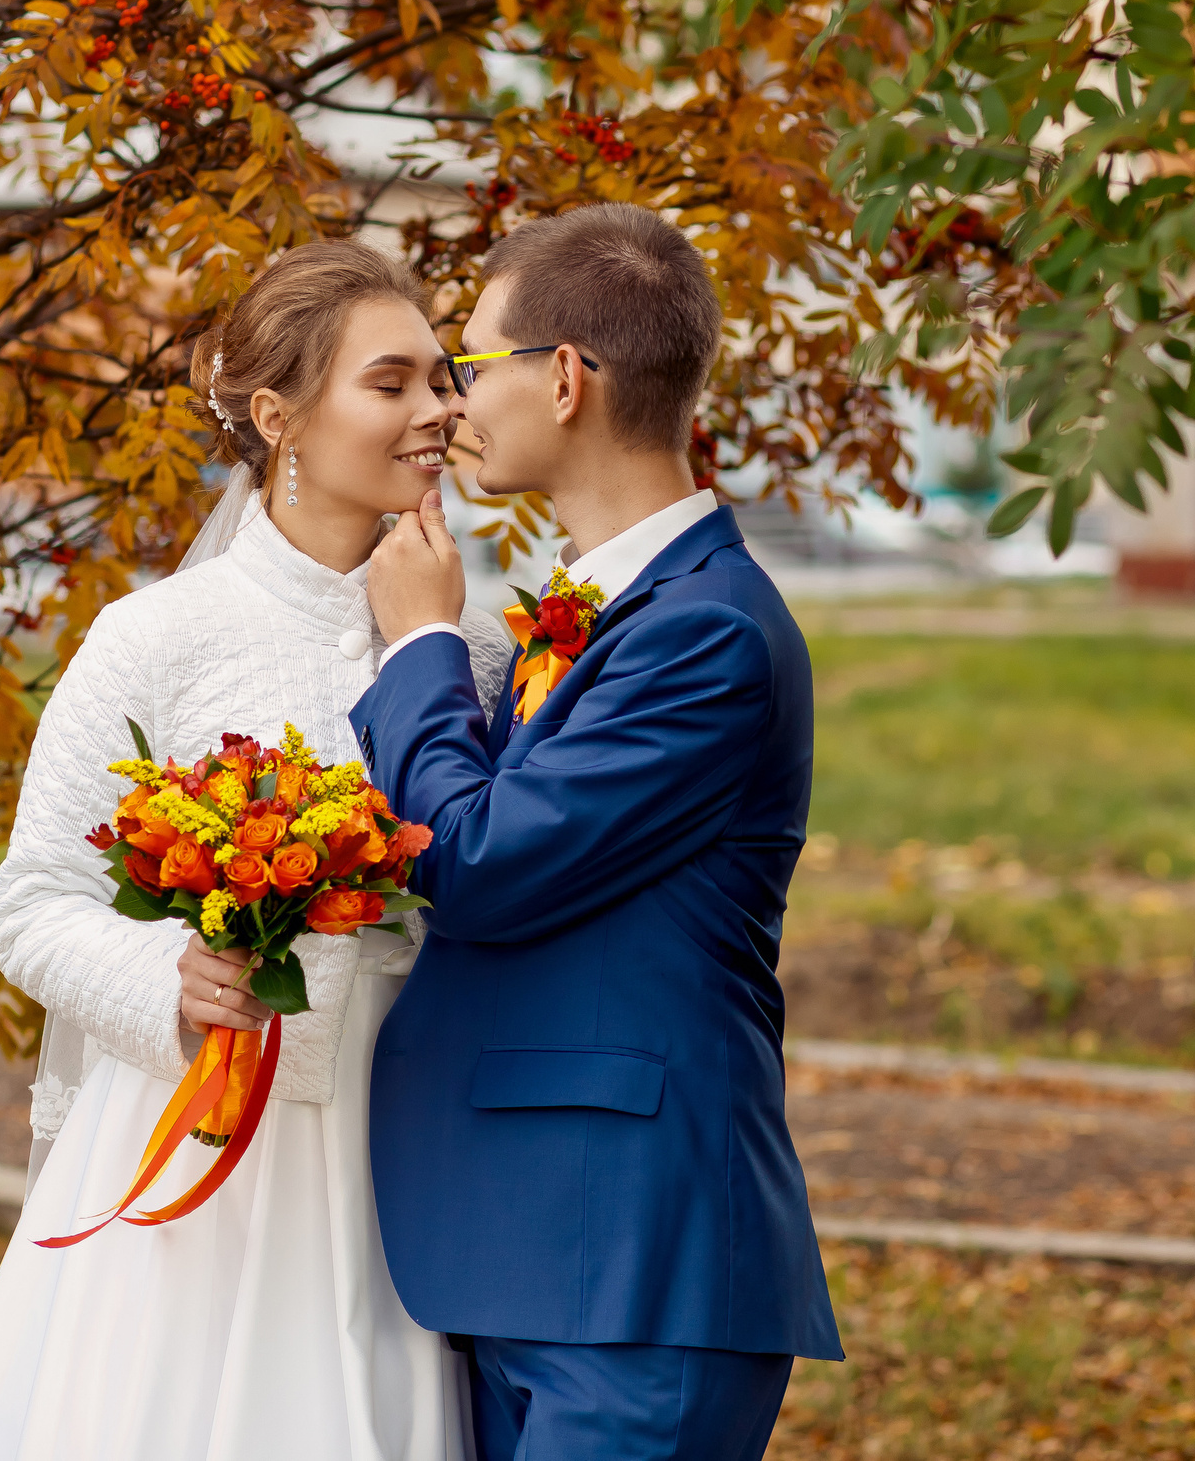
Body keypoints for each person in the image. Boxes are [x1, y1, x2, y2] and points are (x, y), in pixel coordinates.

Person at [0, 242, 511, 1461]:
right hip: (198, 1148)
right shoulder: (159, 637)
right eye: (392, 382)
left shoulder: (484, 652)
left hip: (401, 1152)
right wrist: (173, 985)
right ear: (276, 415)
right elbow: (33, 903)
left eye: (445, 378)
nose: (440, 410)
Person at [352, 203, 843, 1461]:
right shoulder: (597, 612)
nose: (452, 402)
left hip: (632, 1267)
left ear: (562, 377)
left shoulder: (706, 634)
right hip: (528, 1249)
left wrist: (413, 643)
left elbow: (476, 866)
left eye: (471, 364)